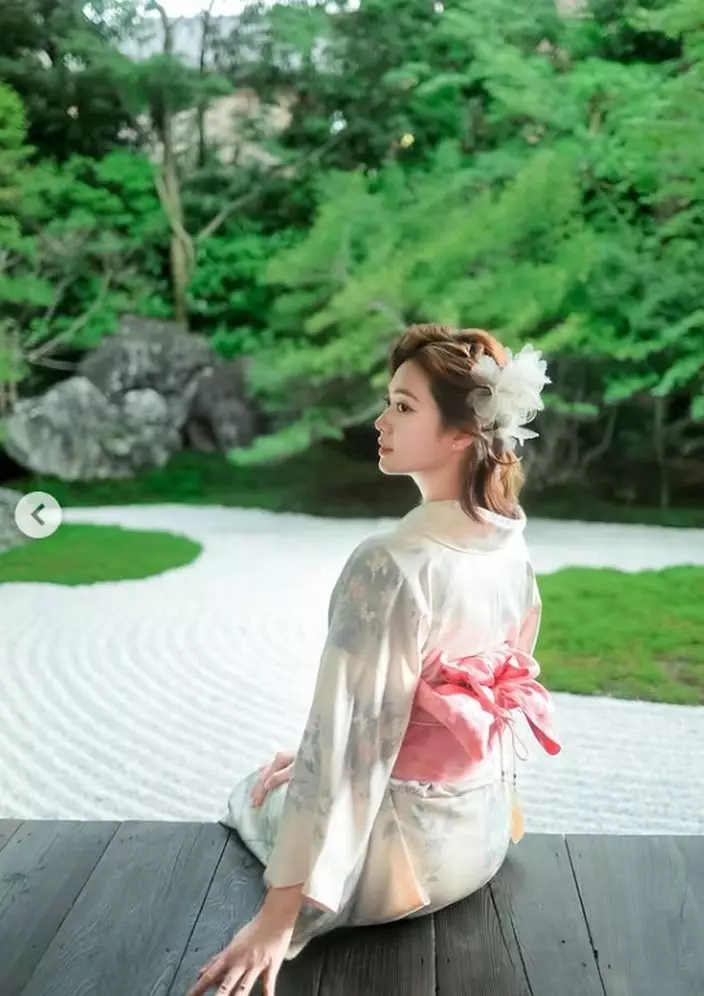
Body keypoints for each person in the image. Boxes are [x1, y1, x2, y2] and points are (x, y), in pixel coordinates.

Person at [189, 324, 561, 996]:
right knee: (293, 772)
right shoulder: (509, 541)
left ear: (462, 434)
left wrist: (277, 919)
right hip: (479, 840)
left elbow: (343, 742)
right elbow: (498, 691)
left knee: (253, 791)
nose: (381, 422)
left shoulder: (391, 563)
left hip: (401, 869)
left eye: (403, 407)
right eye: (389, 403)